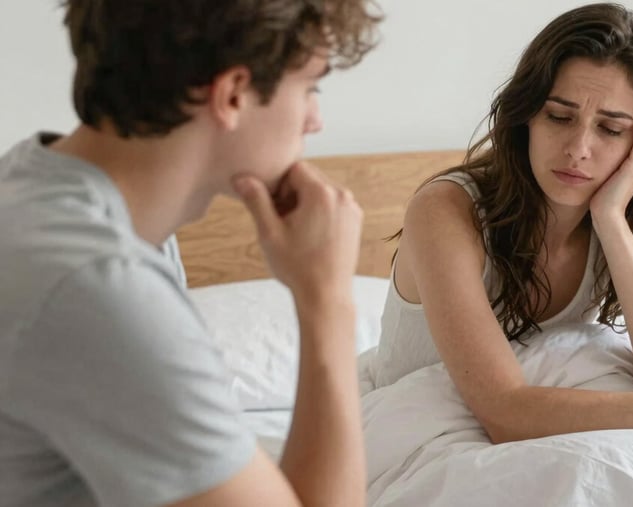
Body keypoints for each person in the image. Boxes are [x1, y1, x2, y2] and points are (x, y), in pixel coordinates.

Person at [0, 1, 381, 506]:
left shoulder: (31, 182)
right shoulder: (100, 285)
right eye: (310, 88)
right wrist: (327, 299)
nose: (315, 121)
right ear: (232, 94)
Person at [372, 2, 633, 456]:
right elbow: (504, 413)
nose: (579, 148)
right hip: (425, 424)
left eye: (611, 129)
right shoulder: (446, 211)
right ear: (526, 117)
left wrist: (611, 220)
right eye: (560, 117)